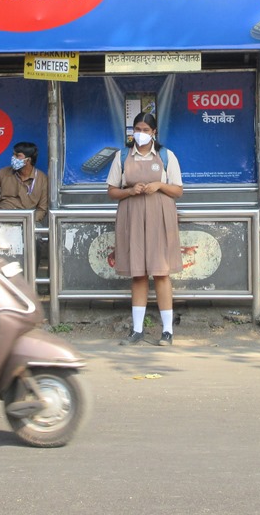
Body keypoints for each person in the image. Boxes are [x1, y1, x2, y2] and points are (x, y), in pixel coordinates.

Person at [106, 112, 183, 346]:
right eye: (137, 129)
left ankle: (167, 331)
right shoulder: (121, 157)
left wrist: (159, 185)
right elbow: (111, 191)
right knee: (138, 273)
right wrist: (129, 191)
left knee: (161, 272)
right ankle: (137, 330)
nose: (140, 134)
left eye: (145, 130)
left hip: (160, 216)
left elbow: (178, 190)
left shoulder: (166, 156)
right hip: (132, 216)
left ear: (154, 132)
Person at [0, 141, 49, 224]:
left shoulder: (42, 179)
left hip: (27, 221)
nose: (13, 158)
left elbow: (42, 209)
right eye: (13, 154)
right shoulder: (4, 172)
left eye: (17, 156)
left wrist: (30, 222)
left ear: (28, 160)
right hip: (4, 217)